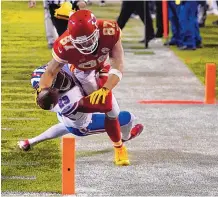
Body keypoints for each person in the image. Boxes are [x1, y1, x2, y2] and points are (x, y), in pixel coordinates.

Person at [37, 10, 131, 166]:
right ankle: (70, 119)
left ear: (96, 32)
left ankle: (119, 147)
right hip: (82, 72)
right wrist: (42, 90)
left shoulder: (109, 30)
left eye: (88, 40)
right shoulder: (64, 44)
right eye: (80, 42)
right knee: (96, 109)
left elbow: (118, 64)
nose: (85, 45)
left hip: (102, 68)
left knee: (112, 110)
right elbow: (50, 71)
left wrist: (106, 88)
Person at [18, 65, 143, 152]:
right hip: (82, 124)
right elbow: (104, 106)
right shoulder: (72, 100)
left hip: (66, 117)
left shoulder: (38, 80)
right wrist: (103, 76)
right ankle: (126, 137)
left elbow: (53, 68)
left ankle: (30, 142)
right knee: (127, 118)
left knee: (64, 126)